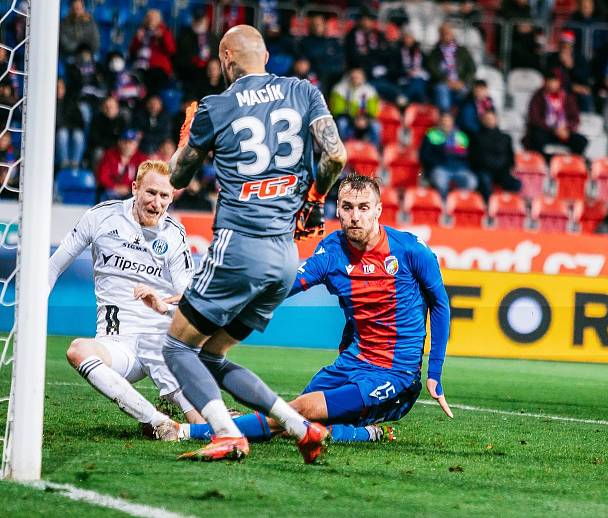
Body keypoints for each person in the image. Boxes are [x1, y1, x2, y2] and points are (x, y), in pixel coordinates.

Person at [161, 24, 347, 462]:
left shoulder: (216, 106)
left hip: (238, 247)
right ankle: (301, 427)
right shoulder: (303, 91)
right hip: (284, 257)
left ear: (227, 59)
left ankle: (225, 434)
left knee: (176, 346)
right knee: (210, 355)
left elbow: (175, 178)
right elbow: (335, 155)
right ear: (265, 56)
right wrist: (316, 199)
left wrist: (189, 138)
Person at [179, 174, 452, 444]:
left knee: (294, 413)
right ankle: (362, 433)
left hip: (394, 373)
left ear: (378, 210)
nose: (355, 216)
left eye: (363, 207)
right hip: (351, 363)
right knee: (295, 424)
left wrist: (434, 372)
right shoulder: (333, 251)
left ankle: (186, 432)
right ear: (339, 210)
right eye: (347, 207)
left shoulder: (410, 250)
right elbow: (285, 285)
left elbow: (440, 303)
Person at [48, 161, 201, 441]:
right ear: (135, 188)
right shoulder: (101, 218)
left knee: (205, 425)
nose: (157, 203)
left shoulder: (174, 235)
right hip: (117, 346)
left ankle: (210, 419)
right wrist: (33, 308)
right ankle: (157, 420)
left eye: (164, 196)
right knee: (78, 350)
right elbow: (54, 266)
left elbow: (190, 301)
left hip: (160, 343)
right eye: (151, 193)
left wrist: (163, 305)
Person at [523, 69, 587, 156]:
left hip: (564, 131)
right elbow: (535, 119)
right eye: (550, 80)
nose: (553, 84)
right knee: (537, 137)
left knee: (581, 141)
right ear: (545, 81)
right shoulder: (538, 96)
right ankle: (545, 162)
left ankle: (570, 164)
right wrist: (554, 129)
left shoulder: (567, 97)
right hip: (546, 131)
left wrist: (566, 129)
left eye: (555, 81)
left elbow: (575, 118)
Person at [419, 112, 477, 199]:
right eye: (443, 120)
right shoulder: (431, 135)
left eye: (448, 121)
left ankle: (458, 204)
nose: (445, 123)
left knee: (471, 182)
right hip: (440, 167)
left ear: (452, 122)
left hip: (460, 168)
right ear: (439, 122)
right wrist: (438, 161)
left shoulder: (461, 136)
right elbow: (424, 155)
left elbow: (468, 156)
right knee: (440, 182)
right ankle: (444, 206)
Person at [470, 110, 521, 201]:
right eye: (487, 119)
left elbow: (510, 157)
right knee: (485, 181)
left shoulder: (506, 137)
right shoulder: (476, 137)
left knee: (516, 183)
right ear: (482, 120)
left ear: (496, 120)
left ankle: (508, 205)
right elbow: (474, 157)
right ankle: (488, 206)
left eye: (492, 118)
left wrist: (507, 168)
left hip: (502, 170)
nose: (489, 121)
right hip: (484, 170)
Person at [426, 22, 477, 112]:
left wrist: (463, 81)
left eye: (448, 33)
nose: (446, 36)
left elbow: (472, 68)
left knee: (469, 95)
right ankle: (446, 118)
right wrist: (446, 81)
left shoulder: (462, 51)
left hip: (460, 82)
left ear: (453, 34)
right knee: (442, 91)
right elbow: (431, 69)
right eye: (444, 33)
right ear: (440, 35)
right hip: (443, 83)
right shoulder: (434, 52)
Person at [129, 9, 177, 96]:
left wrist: (162, 37)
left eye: (154, 18)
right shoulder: (141, 31)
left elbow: (171, 50)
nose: (151, 20)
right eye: (149, 18)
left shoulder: (164, 31)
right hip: (141, 66)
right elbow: (132, 51)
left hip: (158, 68)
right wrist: (137, 39)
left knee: (154, 78)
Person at [329, 68, 381, 146]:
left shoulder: (370, 91)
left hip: (365, 120)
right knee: (342, 123)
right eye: (353, 77)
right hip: (348, 119)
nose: (355, 80)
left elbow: (373, 110)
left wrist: (364, 119)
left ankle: (374, 151)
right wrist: (354, 119)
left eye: (358, 77)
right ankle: (344, 148)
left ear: (363, 78)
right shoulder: (339, 90)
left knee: (376, 126)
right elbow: (337, 110)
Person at [97, 129, 148, 200]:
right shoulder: (109, 155)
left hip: (131, 191)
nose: (127, 145)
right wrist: (115, 187)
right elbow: (102, 177)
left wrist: (129, 188)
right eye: (125, 142)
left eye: (131, 142)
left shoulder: (141, 158)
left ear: (136, 144)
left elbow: (145, 178)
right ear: (119, 142)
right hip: (112, 191)